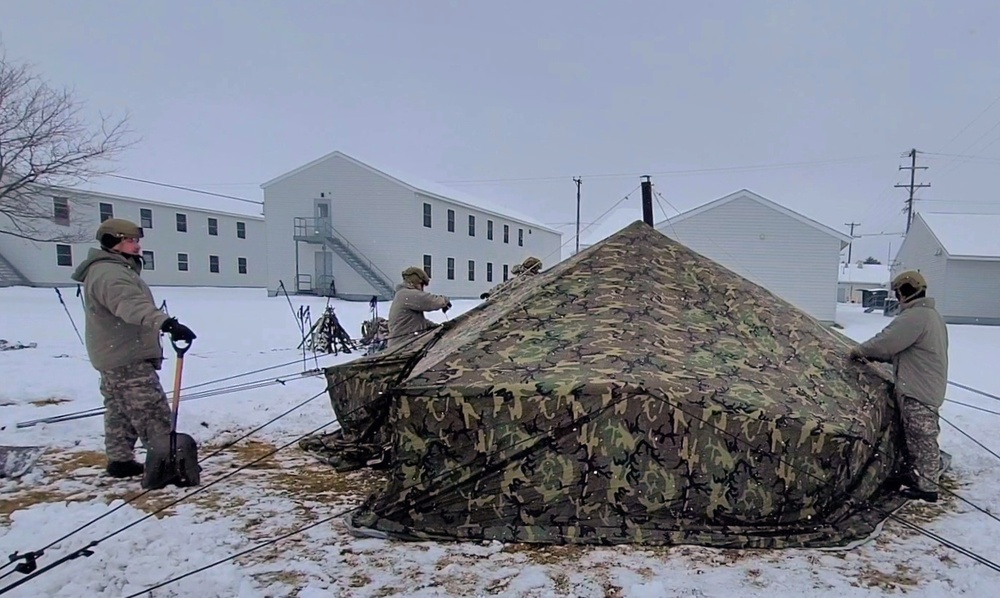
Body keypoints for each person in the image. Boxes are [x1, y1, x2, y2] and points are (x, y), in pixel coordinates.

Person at [71, 218, 197, 478]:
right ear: (111, 242)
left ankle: (120, 461)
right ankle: (168, 467)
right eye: (130, 240)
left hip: (114, 353)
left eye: (137, 240)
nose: (137, 245)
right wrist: (167, 323)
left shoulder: (115, 270)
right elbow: (130, 306)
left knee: (120, 410)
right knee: (151, 410)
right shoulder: (110, 274)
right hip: (125, 355)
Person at [850, 270, 948, 502]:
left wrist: (860, 351)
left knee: (922, 437)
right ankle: (916, 476)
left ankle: (928, 487)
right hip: (924, 385)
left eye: (898, 292)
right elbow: (904, 351)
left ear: (905, 291)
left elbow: (886, 342)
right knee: (912, 437)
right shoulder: (930, 316)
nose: (897, 297)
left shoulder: (915, 317)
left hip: (918, 390)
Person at [387, 266, 450, 349]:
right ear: (416, 281)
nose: (422, 288)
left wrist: (436, 326)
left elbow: (415, 321)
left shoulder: (402, 294)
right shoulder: (407, 294)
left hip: (406, 342)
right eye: (422, 284)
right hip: (403, 345)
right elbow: (431, 301)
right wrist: (445, 301)